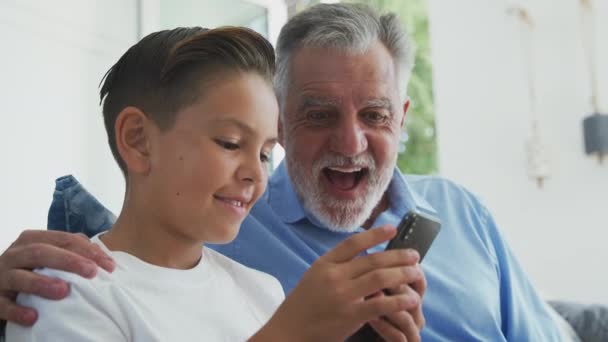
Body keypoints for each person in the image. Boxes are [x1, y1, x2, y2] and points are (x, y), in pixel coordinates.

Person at [2, 3, 601, 341]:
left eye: (375, 114)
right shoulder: (78, 288)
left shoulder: (251, 286)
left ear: (402, 117)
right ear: (287, 120)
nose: (350, 140)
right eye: (318, 115)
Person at [3, 25, 423, 341]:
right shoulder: (68, 294)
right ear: (138, 140)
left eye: (264, 152)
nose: (256, 174)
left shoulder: (260, 290)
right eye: (230, 143)